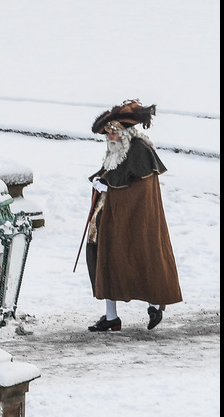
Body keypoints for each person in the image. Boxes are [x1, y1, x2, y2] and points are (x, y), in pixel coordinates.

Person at [84, 99, 182, 332]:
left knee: (141, 256)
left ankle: (155, 304)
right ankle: (111, 317)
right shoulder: (116, 150)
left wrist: (109, 187)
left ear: (126, 131)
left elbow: (141, 189)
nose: (110, 136)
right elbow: (113, 172)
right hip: (109, 216)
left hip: (135, 220)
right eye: (107, 132)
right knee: (105, 257)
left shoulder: (139, 149)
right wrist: (100, 181)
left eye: (114, 131)